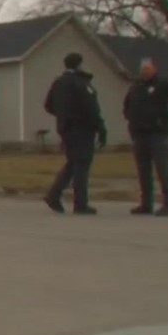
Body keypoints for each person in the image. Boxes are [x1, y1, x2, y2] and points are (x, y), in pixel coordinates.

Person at [43, 52, 107, 215]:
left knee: (73, 163)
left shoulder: (58, 83)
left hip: (66, 129)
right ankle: (80, 203)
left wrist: (62, 117)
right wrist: (100, 128)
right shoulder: (80, 83)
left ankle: (54, 195)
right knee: (82, 165)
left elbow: (48, 105)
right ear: (79, 64)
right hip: (82, 129)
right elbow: (91, 109)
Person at [123, 57, 168, 217]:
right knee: (143, 171)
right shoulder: (136, 87)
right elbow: (127, 107)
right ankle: (146, 203)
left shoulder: (163, 84)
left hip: (158, 135)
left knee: (163, 170)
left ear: (155, 69)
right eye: (143, 69)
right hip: (139, 135)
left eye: (148, 68)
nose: (145, 71)